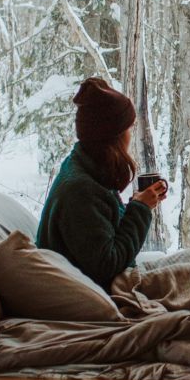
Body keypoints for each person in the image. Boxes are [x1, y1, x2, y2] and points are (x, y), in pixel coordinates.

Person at [36, 77, 166, 291]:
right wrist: (140, 210)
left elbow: (100, 232)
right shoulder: (81, 191)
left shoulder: (85, 167)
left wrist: (136, 204)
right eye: (128, 129)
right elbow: (108, 265)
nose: (130, 135)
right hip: (91, 292)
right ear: (112, 136)